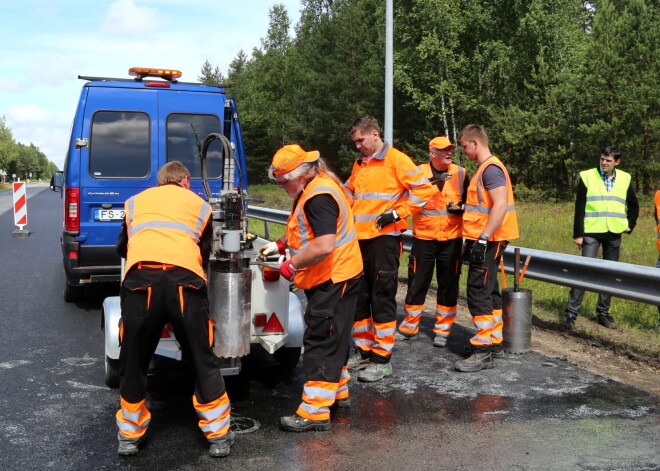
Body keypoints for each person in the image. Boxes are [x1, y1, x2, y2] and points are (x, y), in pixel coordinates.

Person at [115, 162, 233, 457]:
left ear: (160, 181)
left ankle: (129, 436)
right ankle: (218, 436)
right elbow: (205, 251)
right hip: (184, 284)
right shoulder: (200, 204)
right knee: (201, 357)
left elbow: (122, 247)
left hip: (141, 282)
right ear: (185, 181)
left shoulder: (135, 202)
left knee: (134, 358)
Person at [259, 144, 363, 432]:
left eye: (283, 182)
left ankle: (315, 411)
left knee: (321, 340)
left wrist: (291, 266)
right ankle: (338, 393)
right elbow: (304, 230)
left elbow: (323, 245)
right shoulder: (318, 184)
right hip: (342, 273)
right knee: (337, 337)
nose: (281, 188)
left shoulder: (318, 197)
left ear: (300, 174)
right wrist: (281, 244)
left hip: (333, 277)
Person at [344, 115, 436, 382]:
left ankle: (382, 360)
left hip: (384, 241)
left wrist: (397, 214)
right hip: (357, 240)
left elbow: (424, 190)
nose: (357, 145)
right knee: (359, 298)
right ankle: (363, 352)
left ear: (374, 134)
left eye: (360, 140)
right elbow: (351, 192)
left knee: (381, 297)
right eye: (355, 142)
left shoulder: (396, 159)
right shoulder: (360, 162)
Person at [455, 124, 519, 373]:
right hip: (488, 237)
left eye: (464, 146)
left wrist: (482, 238)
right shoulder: (486, 169)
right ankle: (494, 342)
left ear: (475, 143)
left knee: (477, 291)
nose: (464, 151)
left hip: (490, 239)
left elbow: (500, 205)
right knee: (490, 288)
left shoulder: (490, 169)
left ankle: (482, 349)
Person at [396, 136, 469, 348]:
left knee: (448, 285)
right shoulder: (418, 173)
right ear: (432, 153)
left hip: (451, 239)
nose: (449, 153)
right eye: (443, 150)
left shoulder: (461, 173)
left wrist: (460, 208)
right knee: (417, 283)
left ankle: (443, 330)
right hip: (424, 238)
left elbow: (472, 202)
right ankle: (410, 328)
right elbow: (406, 199)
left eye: (450, 150)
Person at [561, 146, 639, 330]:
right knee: (584, 271)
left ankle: (603, 313)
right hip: (591, 231)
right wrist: (578, 234)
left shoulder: (625, 178)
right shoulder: (587, 176)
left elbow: (634, 205)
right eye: (602, 159)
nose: (604, 162)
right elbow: (579, 207)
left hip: (614, 233)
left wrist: (630, 224)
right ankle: (571, 313)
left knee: (609, 274)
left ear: (617, 162)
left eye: (609, 160)